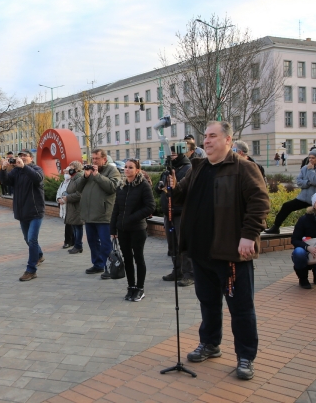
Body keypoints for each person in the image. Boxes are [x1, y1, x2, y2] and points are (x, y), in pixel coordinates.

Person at [170, 121, 270, 381]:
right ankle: (210, 344)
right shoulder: (199, 168)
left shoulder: (243, 168)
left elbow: (259, 204)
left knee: (241, 308)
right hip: (201, 251)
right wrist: (171, 188)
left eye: (213, 136)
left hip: (230, 253)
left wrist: (249, 235)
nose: (207, 141)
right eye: (206, 137)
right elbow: (181, 196)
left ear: (228, 139)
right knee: (208, 302)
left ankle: (246, 356)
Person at [111, 159, 155, 302]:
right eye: (125, 167)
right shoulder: (122, 186)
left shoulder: (143, 186)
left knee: (138, 258)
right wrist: (113, 228)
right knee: (127, 259)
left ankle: (140, 288)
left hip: (137, 229)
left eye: (131, 167)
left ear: (137, 170)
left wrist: (132, 217)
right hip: (123, 229)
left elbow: (150, 207)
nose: (127, 170)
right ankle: (131, 287)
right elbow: (116, 208)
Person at [74, 148, 121, 277]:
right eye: (93, 158)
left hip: (103, 214)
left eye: (97, 158)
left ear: (104, 159)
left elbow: (112, 187)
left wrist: (97, 176)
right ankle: (98, 264)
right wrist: (85, 176)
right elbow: (77, 187)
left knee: (105, 243)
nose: (94, 161)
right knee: (92, 242)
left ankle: (110, 267)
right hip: (89, 214)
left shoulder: (112, 171)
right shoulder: (89, 171)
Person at [265, 149, 316, 234]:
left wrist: (311, 170)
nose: (310, 160)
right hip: (304, 197)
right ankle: (275, 227)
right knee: (287, 206)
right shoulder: (305, 168)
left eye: (313, 158)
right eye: (309, 158)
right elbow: (298, 182)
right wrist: (308, 182)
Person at [5, 151, 44, 281]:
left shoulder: (36, 169)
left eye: (25, 156)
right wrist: (3, 169)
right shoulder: (16, 172)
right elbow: (6, 182)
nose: (22, 158)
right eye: (20, 156)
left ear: (31, 158)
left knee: (32, 239)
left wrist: (24, 167)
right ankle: (39, 255)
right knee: (28, 239)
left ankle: (31, 270)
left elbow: (38, 179)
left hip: (35, 211)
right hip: (22, 212)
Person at [157, 146, 193, 286]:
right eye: (169, 154)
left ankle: (188, 274)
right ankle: (177, 270)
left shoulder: (187, 168)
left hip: (180, 212)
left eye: (172, 154)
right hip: (169, 212)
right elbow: (159, 187)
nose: (170, 156)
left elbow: (183, 190)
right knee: (172, 245)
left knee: (182, 244)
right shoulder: (169, 168)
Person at [62, 162, 85, 255]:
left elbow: (80, 194)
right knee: (75, 227)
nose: (69, 170)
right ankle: (77, 245)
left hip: (77, 206)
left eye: (71, 168)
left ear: (77, 168)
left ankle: (78, 245)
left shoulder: (79, 178)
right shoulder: (74, 178)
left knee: (78, 227)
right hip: (73, 206)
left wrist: (68, 197)